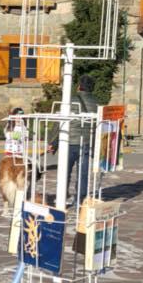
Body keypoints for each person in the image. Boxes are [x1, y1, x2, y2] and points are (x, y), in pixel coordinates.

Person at [50, 73, 99, 202]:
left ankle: (62, 197)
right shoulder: (96, 104)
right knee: (83, 174)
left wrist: (52, 143)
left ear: (79, 86)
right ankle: (80, 200)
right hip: (86, 143)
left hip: (69, 141)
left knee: (64, 172)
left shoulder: (69, 101)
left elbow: (59, 123)